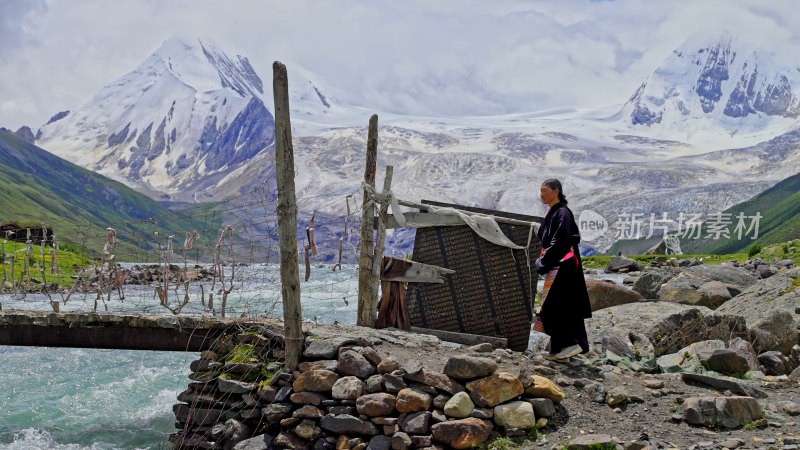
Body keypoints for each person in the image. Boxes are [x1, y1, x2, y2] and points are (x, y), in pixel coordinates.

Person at [534, 179, 592, 360]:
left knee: (555, 307)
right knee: (566, 307)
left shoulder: (563, 213)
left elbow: (560, 240)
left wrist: (542, 262)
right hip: (560, 266)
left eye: (545, 191)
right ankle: (562, 350)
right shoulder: (555, 212)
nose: (541, 194)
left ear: (556, 191)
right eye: (541, 191)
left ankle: (570, 345)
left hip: (564, 267)